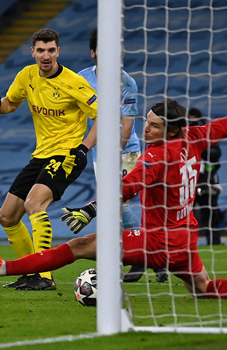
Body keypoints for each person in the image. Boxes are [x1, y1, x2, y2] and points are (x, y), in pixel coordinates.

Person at [0, 99, 227, 299]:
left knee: (80, 245)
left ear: (171, 130)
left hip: (159, 241)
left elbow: (126, 187)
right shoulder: (194, 136)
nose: (146, 129)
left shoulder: (158, 157)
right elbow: (223, 125)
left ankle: (0, 268)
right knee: (203, 288)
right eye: (147, 121)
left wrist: (91, 209)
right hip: (185, 238)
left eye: (155, 126)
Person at [0, 28, 98, 290]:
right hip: (41, 154)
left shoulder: (74, 83)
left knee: (35, 203)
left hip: (68, 153)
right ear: (32, 52)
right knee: (7, 216)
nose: (46, 56)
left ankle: (44, 276)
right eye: (41, 50)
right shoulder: (26, 75)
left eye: (51, 50)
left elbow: (102, 118)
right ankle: (29, 272)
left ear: (59, 51)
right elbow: (9, 104)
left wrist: (83, 148)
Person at [74, 28, 168, 283]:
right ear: (93, 52)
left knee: (118, 203)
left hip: (125, 152)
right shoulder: (80, 79)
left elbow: (127, 125)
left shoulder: (126, 82)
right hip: (97, 154)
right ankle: (154, 256)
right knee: (115, 207)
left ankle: (141, 258)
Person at [188, 107, 223, 245]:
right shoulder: (182, 135)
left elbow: (216, 154)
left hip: (207, 182)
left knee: (210, 216)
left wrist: (198, 146)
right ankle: (183, 245)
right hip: (188, 182)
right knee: (184, 216)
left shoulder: (208, 135)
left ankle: (214, 243)